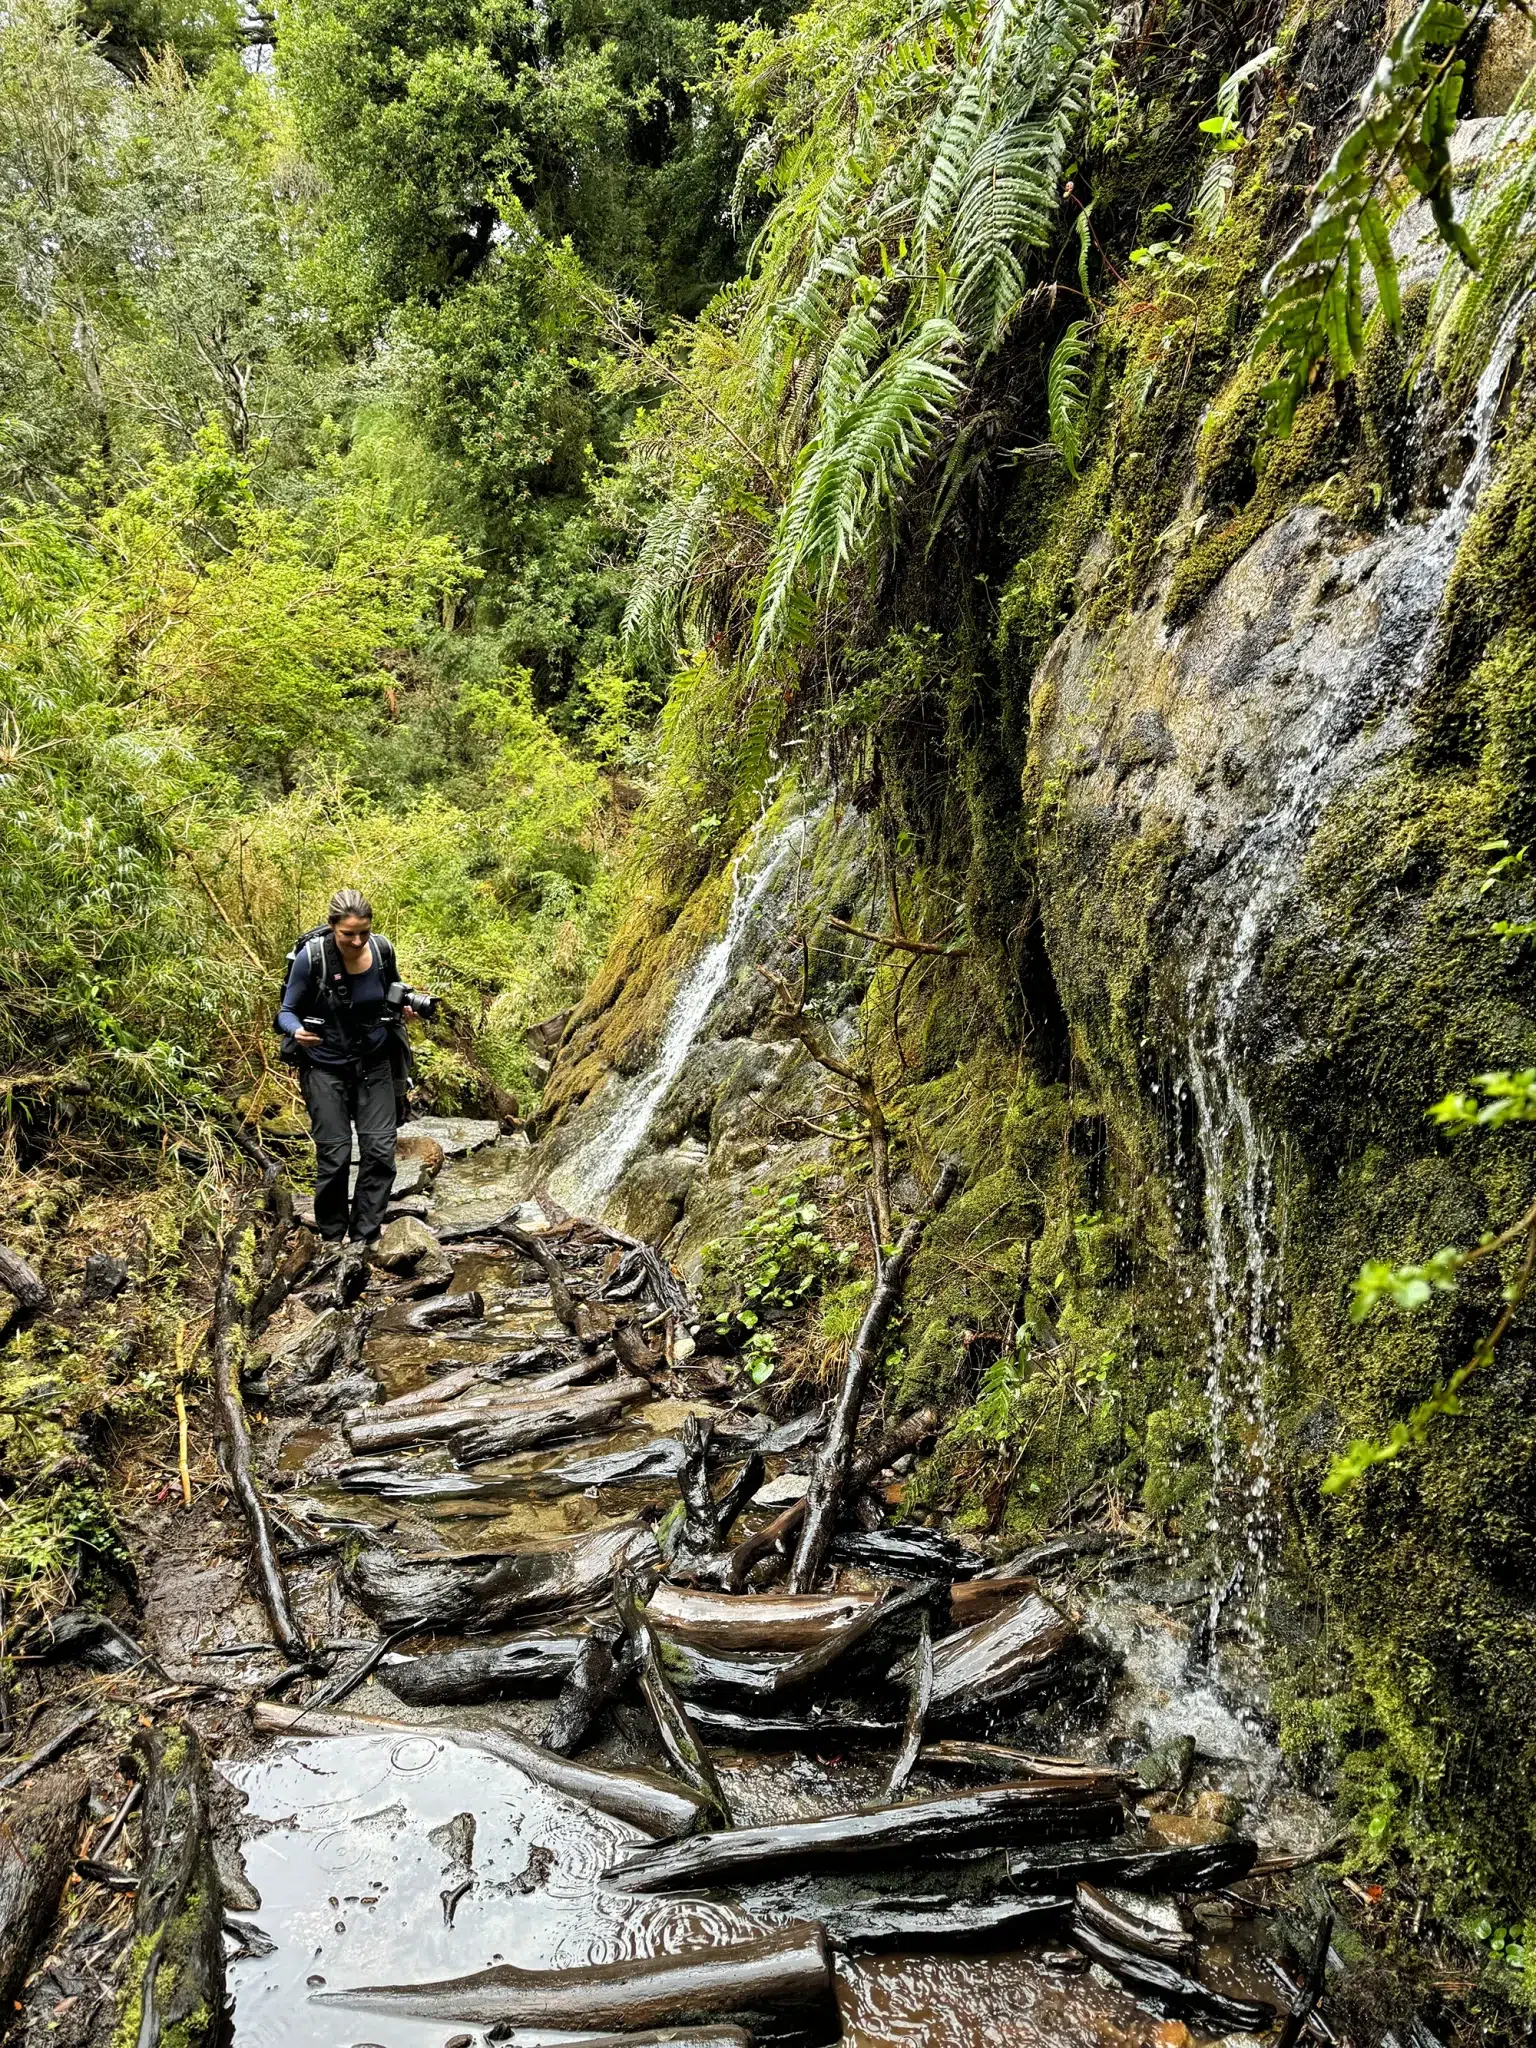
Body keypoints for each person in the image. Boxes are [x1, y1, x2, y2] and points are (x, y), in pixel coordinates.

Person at [277, 888, 420, 1247]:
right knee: (335, 1154)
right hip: (325, 1067)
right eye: (348, 934)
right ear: (332, 928)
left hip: (375, 1063)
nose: (357, 941)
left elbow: (394, 989)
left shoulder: (383, 950)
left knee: (379, 1152)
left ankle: (364, 1237)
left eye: (364, 933)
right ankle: (331, 1236)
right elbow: (285, 1011)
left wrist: (405, 1007)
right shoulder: (312, 959)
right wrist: (297, 1031)